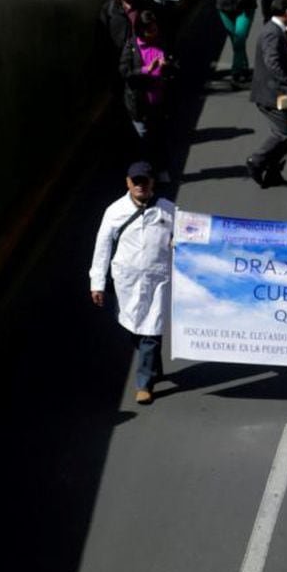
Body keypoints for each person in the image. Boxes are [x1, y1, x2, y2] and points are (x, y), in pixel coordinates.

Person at [90, 161, 175, 406]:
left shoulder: (168, 210)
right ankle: (153, 367)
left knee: (151, 328)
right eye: (135, 181)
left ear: (152, 182)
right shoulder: (114, 211)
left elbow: (186, 235)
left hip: (158, 279)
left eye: (144, 181)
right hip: (127, 281)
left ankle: (144, 383)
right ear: (128, 182)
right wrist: (97, 282)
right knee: (136, 328)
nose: (140, 185)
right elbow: (103, 247)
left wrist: (177, 242)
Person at [118, 9, 178, 182]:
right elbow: (124, 71)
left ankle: (161, 169)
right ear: (141, 31)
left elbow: (175, 64)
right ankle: (146, 173)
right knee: (144, 140)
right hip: (139, 104)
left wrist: (168, 66)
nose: (154, 33)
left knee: (160, 137)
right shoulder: (131, 47)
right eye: (149, 30)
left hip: (159, 102)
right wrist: (145, 70)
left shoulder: (162, 43)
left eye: (155, 29)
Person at [247, 0, 287, 188]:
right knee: (283, 133)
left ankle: (274, 173)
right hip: (271, 95)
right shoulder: (272, 32)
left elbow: (283, 62)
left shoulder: (278, 31)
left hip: (278, 94)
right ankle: (257, 161)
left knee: (285, 134)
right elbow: (273, 63)